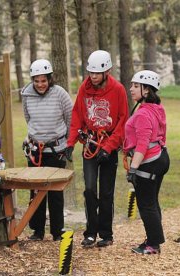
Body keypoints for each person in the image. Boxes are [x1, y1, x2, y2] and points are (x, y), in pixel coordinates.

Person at [65, 50, 128, 248]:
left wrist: (109, 147)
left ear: (106, 71)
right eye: (90, 72)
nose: (92, 76)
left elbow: (122, 120)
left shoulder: (118, 90)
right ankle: (90, 233)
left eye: (96, 73)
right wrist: (70, 142)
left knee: (107, 192)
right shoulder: (84, 88)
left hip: (109, 145)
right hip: (91, 146)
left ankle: (106, 234)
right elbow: (77, 115)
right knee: (90, 189)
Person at [22, 59, 73, 241]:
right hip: (36, 150)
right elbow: (28, 118)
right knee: (35, 190)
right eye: (36, 81)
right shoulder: (27, 94)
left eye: (43, 81)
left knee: (55, 192)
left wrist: (67, 143)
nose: (40, 85)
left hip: (56, 149)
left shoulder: (60, 94)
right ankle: (37, 230)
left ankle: (57, 231)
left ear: (50, 79)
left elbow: (70, 118)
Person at [124, 70, 170, 254]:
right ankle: (154, 239)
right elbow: (161, 133)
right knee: (151, 201)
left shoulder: (143, 114)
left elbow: (143, 144)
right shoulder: (155, 108)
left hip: (149, 160)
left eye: (136, 86)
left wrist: (133, 168)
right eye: (132, 85)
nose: (131, 89)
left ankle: (153, 244)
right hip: (160, 157)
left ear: (146, 90)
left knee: (146, 204)